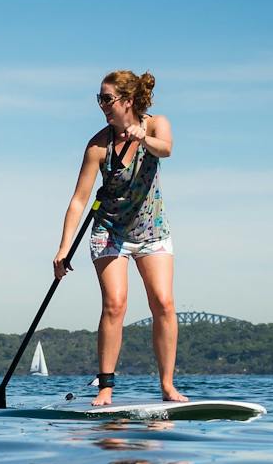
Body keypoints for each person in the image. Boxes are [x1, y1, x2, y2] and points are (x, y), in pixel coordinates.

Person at [53, 70, 184, 407]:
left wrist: (142, 138)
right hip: (110, 230)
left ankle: (168, 387)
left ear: (127, 101)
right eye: (99, 99)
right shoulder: (98, 145)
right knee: (115, 304)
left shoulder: (156, 125)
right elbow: (79, 200)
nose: (102, 105)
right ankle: (106, 388)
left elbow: (166, 149)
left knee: (164, 304)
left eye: (107, 99)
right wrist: (64, 248)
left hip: (151, 229)